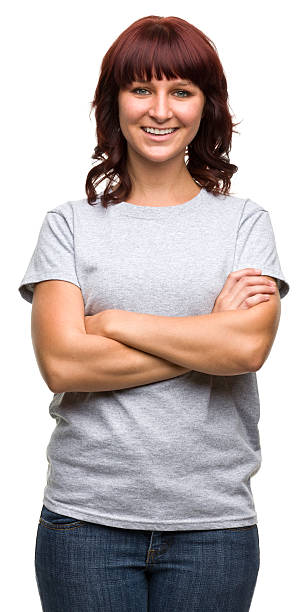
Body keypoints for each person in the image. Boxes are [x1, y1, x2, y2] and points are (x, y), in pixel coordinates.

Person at [18, 15, 290, 612]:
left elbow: (245, 352)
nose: (160, 110)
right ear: (113, 102)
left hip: (213, 526)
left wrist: (113, 321)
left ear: (205, 107)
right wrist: (206, 337)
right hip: (84, 525)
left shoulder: (245, 224)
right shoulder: (68, 224)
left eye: (181, 91)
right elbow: (63, 363)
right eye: (141, 89)